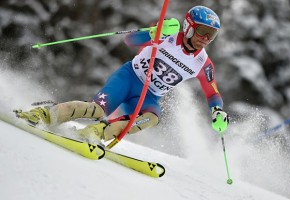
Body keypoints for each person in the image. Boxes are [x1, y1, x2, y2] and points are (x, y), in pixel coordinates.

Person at [17, 5, 229, 144]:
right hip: (129, 78)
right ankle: (44, 114)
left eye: (211, 35)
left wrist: (217, 111)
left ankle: (96, 134)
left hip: (149, 95)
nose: (205, 38)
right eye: (202, 31)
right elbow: (130, 41)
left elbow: (212, 92)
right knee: (97, 109)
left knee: (152, 118)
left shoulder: (203, 62)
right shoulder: (169, 33)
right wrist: (153, 33)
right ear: (189, 26)